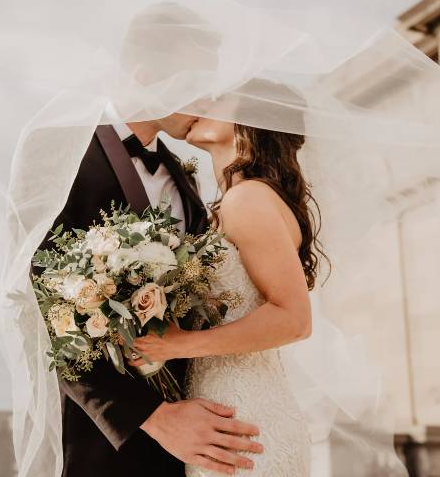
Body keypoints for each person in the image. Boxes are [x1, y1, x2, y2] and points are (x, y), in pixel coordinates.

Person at [36, 3, 263, 477]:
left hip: (198, 439)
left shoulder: (186, 181)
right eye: (194, 85)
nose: (205, 101)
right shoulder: (57, 151)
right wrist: (152, 419)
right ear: (143, 75)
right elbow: (39, 306)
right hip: (105, 443)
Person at [130, 81, 321, 476]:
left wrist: (179, 346)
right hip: (224, 411)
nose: (199, 101)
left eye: (217, 98)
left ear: (252, 119)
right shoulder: (233, 202)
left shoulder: (248, 199)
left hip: (244, 416)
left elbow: (294, 318)